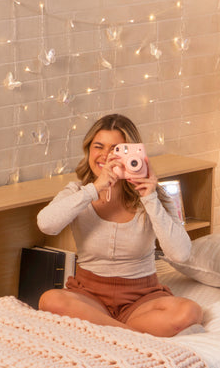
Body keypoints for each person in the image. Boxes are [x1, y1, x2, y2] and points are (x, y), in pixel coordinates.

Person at [36, 114, 203, 337]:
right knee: (50, 300)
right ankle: (131, 335)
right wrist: (94, 188)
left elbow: (180, 254)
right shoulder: (78, 192)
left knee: (189, 311)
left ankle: (106, 330)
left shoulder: (154, 196)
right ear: (89, 151)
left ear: (132, 153)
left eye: (115, 149)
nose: (106, 156)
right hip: (89, 296)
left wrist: (149, 198)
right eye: (98, 147)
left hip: (142, 298)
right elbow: (46, 225)